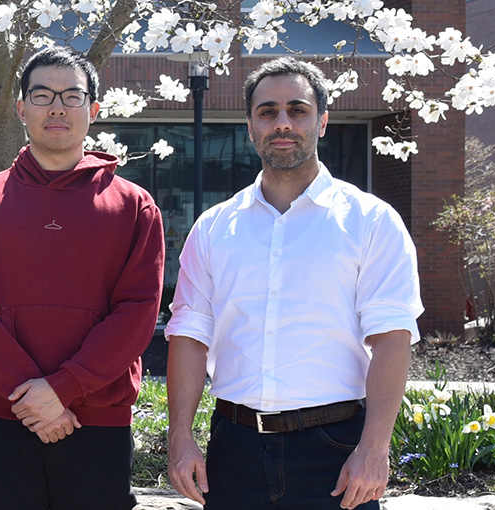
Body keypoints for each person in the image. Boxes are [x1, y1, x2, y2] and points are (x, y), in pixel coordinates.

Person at [165, 57, 423, 510]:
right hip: (234, 451)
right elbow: (188, 336)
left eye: (297, 110)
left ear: (322, 122)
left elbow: (391, 339)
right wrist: (180, 438)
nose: (282, 123)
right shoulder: (212, 228)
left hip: (336, 454)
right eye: (267, 112)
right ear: (250, 126)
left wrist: (374, 448)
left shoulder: (371, 221)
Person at [0, 46, 164, 510]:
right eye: (42, 96)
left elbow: (138, 312)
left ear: (94, 110)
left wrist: (62, 389)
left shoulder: (134, 206)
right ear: (21, 109)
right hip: (4, 416)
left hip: (98, 420)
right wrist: (33, 395)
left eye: (72, 96)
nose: (57, 107)